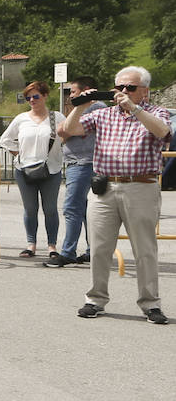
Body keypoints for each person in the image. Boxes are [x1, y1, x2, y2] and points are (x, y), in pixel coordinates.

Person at [63, 65, 172, 324]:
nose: (123, 91)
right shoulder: (103, 114)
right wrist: (80, 105)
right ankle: (95, 299)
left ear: (144, 91)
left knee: (145, 249)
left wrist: (134, 108)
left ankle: (150, 303)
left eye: (130, 87)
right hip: (105, 188)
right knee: (99, 248)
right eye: (119, 87)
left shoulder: (157, 112)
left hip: (141, 186)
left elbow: (163, 132)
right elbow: (67, 130)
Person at [0, 80, 63, 260]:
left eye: (36, 96)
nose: (32, 100)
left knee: (50, 208)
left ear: (45, 96)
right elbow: (5, 140)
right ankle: (31, 244)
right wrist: (19, 153)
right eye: (28, 98)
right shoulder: (21, 118)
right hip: (24, 169)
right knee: (30, 208)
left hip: (51, 168)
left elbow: (68, 135)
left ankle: (52, 246)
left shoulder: (57, 117)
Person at [51, 77, 104, 267]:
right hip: (82, 162)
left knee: (72, 208)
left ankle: (68, 252)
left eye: (73, 92)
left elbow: (64, 130)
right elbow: (64, 130)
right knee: (86, 210)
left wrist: (67, 129)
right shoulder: (88, 108)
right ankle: (92, 251)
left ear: (86, 90)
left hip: (83, 163)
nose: (70, 96)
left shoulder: (94, 107)